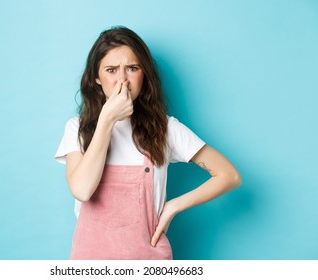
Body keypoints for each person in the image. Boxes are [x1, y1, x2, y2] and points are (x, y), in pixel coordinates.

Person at [55, 26, 241, 260]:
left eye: (132, 68)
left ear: (144, 74)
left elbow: (229, 175)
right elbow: (82, 190)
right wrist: (107, 119)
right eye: (111, 70)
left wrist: (174, 206)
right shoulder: (77, 128)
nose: (122, 79)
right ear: (96, 79)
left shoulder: (165, 129)